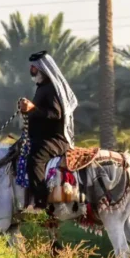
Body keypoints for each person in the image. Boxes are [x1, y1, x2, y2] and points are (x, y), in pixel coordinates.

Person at [17, 51, 78, 210]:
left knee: (35, 159)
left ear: (42, 69)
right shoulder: (42, 88)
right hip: (43, 137)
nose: (31, 70)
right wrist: (27, 109)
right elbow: (38, 112)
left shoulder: (51, 88)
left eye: (34, 67)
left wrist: (32, 108)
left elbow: (55, 114)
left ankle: (42, 202)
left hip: (56, 140)